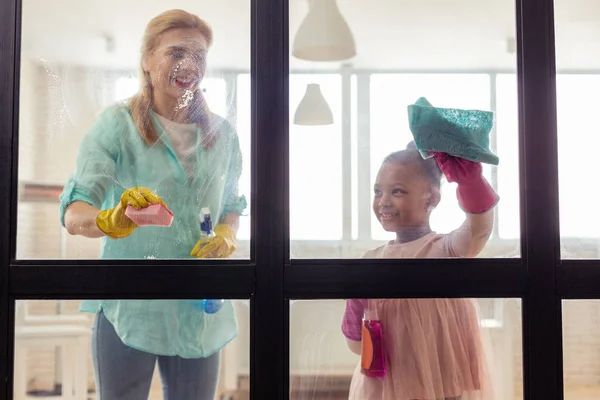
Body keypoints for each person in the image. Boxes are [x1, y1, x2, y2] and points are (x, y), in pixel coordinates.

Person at [59, 9, 246, 399]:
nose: (188, 65)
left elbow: (231, 203)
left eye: (198, 56)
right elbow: (75, 214)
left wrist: (228, 232)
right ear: (146, 60)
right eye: (175, 53)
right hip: (130, 306)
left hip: (198, 304)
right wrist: (112, 219)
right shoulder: (116, 125)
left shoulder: (223, 136)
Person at [342, 142, 498, 400]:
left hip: (444, 389)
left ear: (432, 198)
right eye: (378, 191)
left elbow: (478, 228)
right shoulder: (369, 262)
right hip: (386, 389)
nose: (384, 202)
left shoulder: (445, 251)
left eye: (398, 191)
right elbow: (355, 344)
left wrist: (471, 182)